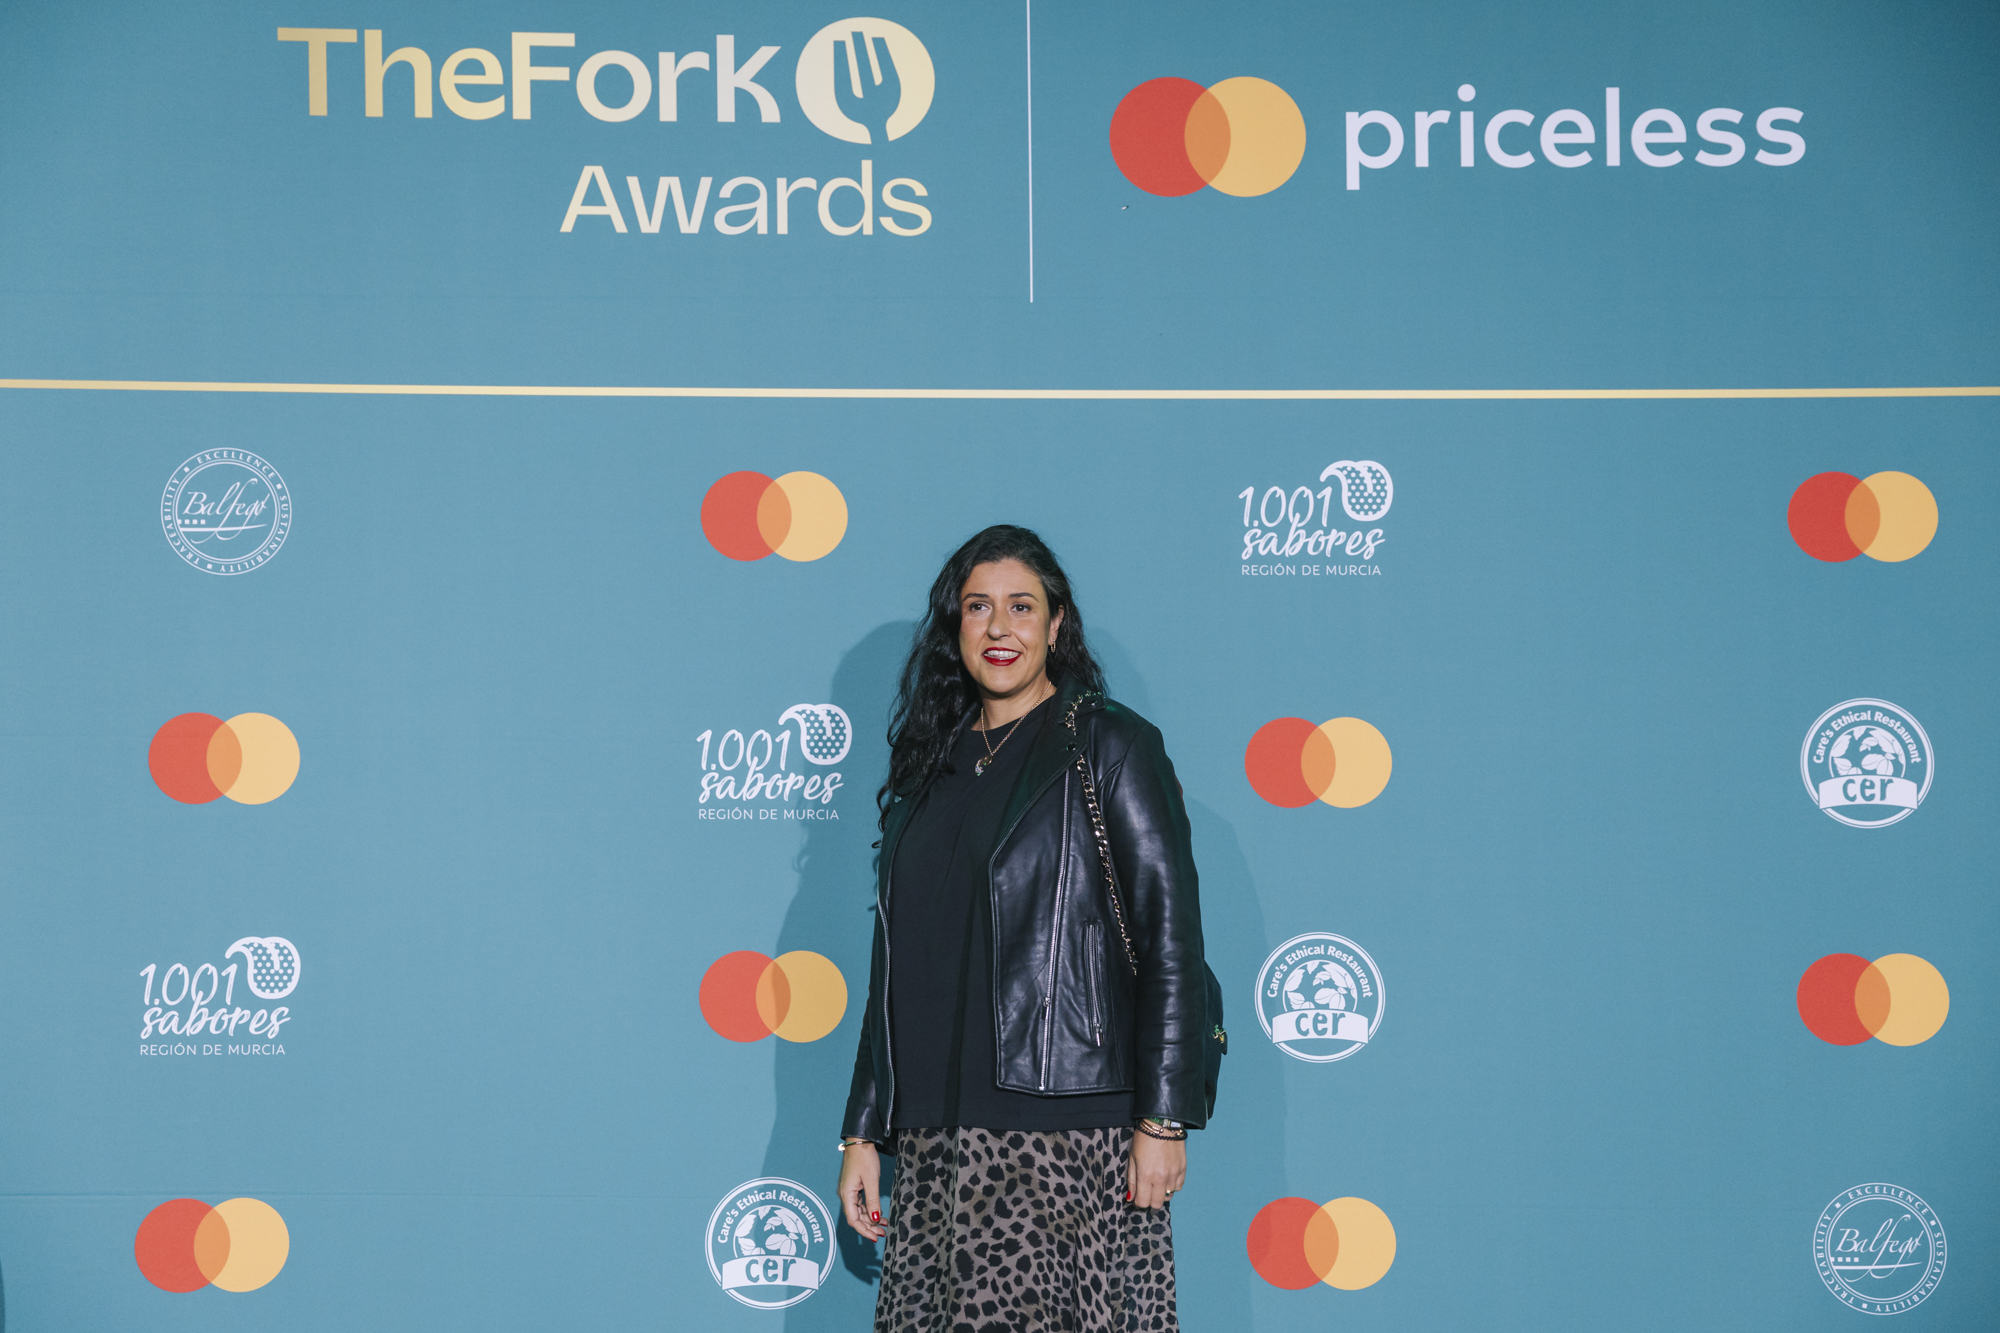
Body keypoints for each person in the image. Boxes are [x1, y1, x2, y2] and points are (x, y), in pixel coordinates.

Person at [837, 524, 1210, 1332]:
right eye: (978, 607)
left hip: (1062, 1127)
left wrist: (1162, 1118)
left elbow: (1170, 939)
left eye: (1021, 606)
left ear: (1056, 622)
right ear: (955, 626)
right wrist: (863, 1130)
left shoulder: (1109, 745)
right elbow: (897, 965)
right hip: (935, 1136)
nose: (999, 627)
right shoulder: (927, 766)